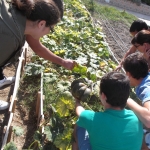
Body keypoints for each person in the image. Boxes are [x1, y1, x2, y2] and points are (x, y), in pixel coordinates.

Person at [0, 0, 75, 110]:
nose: (49, 33)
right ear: (41, 24)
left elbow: (38, 47)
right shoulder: (10, 39)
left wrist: (62, 62)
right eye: (52, 29)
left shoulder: (21, 16)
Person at [72, 71, 143, 150]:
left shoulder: (92, 119)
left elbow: (80, 111)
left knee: (80, 124)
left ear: (103, 96)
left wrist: (77, 101)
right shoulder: (137, 118)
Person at [123, 53, 150, 149]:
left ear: (129, 74)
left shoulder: (146, 88)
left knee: (131, 132)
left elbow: (149, 120)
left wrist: (126, 98)